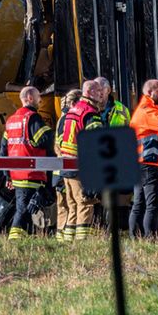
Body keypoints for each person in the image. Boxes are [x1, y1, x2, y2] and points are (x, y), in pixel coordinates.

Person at [0, 86, 54, 240]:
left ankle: (26, 239)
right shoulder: (32, 118)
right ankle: (15, 240)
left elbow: (3, 151)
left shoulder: (11, 120)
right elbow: (44, 140)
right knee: (23, 210)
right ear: (30, 98)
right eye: (38, 97)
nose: (41, 100)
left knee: (27, 208)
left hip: (17, 174)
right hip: (31, 173)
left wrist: (7, 175)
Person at [56, 80, 104, 240]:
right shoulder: (89, 113)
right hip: (80, 167)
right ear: (90, 92)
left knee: (72, 205)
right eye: (98, 91)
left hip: (66, 165)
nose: (102, 94)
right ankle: (83, 243)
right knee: (85, 204)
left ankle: (68, 241)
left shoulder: (73, 110)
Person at [128, 79, 158, 239]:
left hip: (143, 165)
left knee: (139, 204)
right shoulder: (146, 111)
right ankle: (149, 238)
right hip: (148, 165)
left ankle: (136, 237)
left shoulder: (149, 110)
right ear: (150, 92)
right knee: (153, 205)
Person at [53, 89, 81, 241]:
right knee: (73, 204)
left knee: (63, 206)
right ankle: (69, 238)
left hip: (59, 171)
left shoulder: (61, 119)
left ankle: (61, 238)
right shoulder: (71, 118)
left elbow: (57, 146)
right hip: (68, 170)